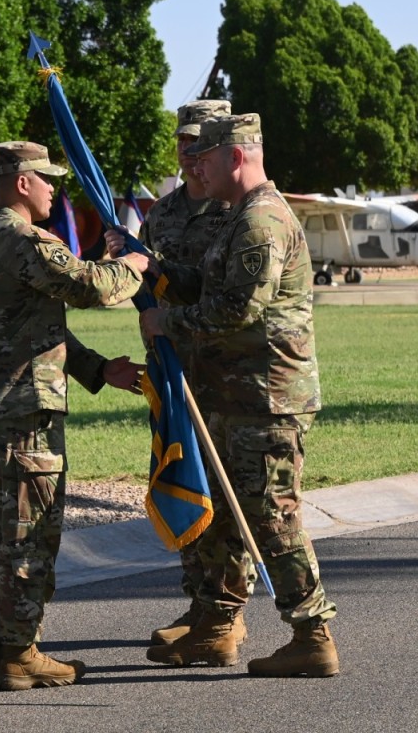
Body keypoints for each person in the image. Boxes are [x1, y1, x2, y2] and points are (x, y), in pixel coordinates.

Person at [115, 114, 340, 677]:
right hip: (230, 393)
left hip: (265, 398)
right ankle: (216, 626)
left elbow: (238, 309)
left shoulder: (261, 221)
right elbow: (211, 285)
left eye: (206, 158)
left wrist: (167, 321)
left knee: (272, 517)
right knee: (224, 515)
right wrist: (155, 270)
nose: (196, 168)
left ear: (235, 157)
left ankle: (312, 634)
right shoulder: (240, 216)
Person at [0, 141, 149, 691]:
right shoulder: (22, 238)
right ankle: (21, 653)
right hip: (19, 413)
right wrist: (133, 263)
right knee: (28, 535)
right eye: (46, 179)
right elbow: (86, 286)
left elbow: (30, 324)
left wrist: (93, 368)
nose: (52, 189)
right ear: (21, 181)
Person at [137, 99, 256, 649]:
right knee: (189, 480)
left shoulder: (242, 211)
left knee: (227, 496)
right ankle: (201, 603)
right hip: (178, 369)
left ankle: (227, 611)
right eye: (183, 142)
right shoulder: (161, 215)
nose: (189, 154)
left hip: (229, 373)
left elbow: (236, 300)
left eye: (199, 144)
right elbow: (159, 285)